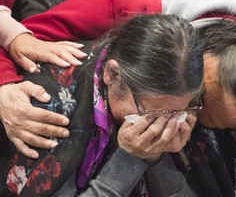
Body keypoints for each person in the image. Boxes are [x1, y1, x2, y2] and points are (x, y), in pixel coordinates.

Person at [1, 14, 202, 197]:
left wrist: (155, 157)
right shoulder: (48, 106)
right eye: (150, 113)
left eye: (177, 112)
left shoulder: (169, 112)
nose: (162, 126)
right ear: (111, 75)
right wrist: (128, 159)